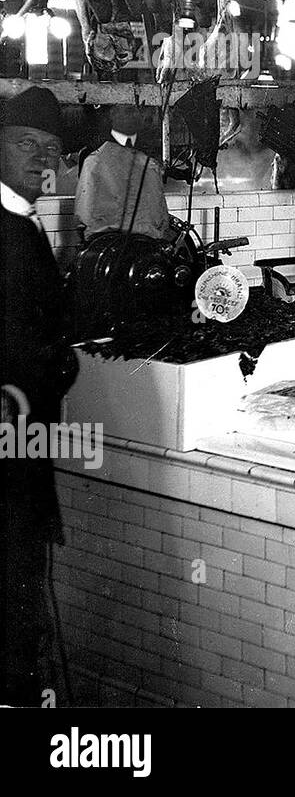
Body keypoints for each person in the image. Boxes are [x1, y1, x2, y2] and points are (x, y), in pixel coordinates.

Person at [1, 86, 80, 706]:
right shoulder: (8, 233)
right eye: (27, 143)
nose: (41, 158)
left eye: (51, 149)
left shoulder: (23, 225)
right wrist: (62, 364)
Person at [74, 104, 170, 241]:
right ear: (112, 114)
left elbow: (160, 211)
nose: (134, 115)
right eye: (128, 110)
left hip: (145, 244)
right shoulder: (92, 156)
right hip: (109, 242)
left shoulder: (151, 157)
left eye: (137, 109)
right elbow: (84, 212)